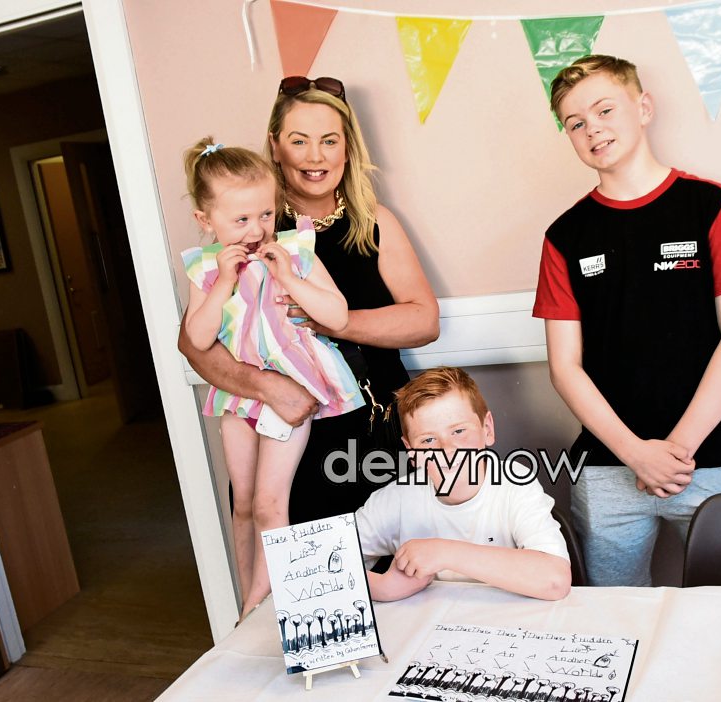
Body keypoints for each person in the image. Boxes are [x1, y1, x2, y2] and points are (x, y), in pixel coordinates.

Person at [533, 55, 721, 586]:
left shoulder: (711, 205)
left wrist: (675, 452)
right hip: (608, 470)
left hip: (711, 460)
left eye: (605, 110)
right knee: (614, 618)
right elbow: (565, 367)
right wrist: (635, 454)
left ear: (643, 107)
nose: (593, 128)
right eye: (576, 123)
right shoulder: (565, 236)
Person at [178, 77, 439, 525]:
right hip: (285, 425)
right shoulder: (251, 225)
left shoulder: (373, 221)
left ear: (347, 148)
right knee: (297, 550)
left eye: (329, 141)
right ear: (276, 147)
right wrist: (268, 388)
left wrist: (335, 322)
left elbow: (424, 320)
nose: (315, 156)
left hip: (371, 423)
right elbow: (193, 343)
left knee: (393, 552)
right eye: (299, 141)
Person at [181, 138, 364, 618]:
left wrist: (289, 278)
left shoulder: (294, 251)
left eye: (265, 214)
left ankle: (266, 609)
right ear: (206, 220)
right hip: (239, 397)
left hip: (291, 386)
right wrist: (223, 282)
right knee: (242, 504)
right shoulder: (205, 269)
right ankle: (250, 601)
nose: (257, 229)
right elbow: (197, 339)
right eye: (240, 220)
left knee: (268, 503)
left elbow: (338, 316)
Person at [355, 367, 572, 602]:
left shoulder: (515, 484)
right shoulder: (395, 499)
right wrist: (384, 588)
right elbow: (328, 562)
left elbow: (555, 580)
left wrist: (444, 552)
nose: (446, 449)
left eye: (458, 431)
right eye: (428, 440)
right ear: (411, 451)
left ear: (487, 429)